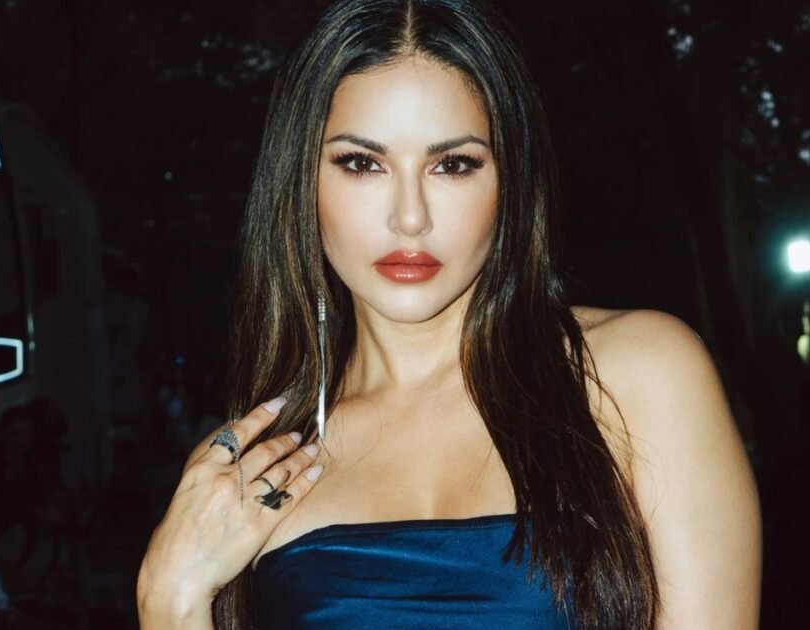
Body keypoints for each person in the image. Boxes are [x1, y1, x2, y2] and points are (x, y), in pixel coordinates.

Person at [137, 0, 761, 628]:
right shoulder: (259, 470)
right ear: (301, 181)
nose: (410, 218)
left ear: (509, 180)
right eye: (362, 163)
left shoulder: (641, 375)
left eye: (453, 165)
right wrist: (168, 602)